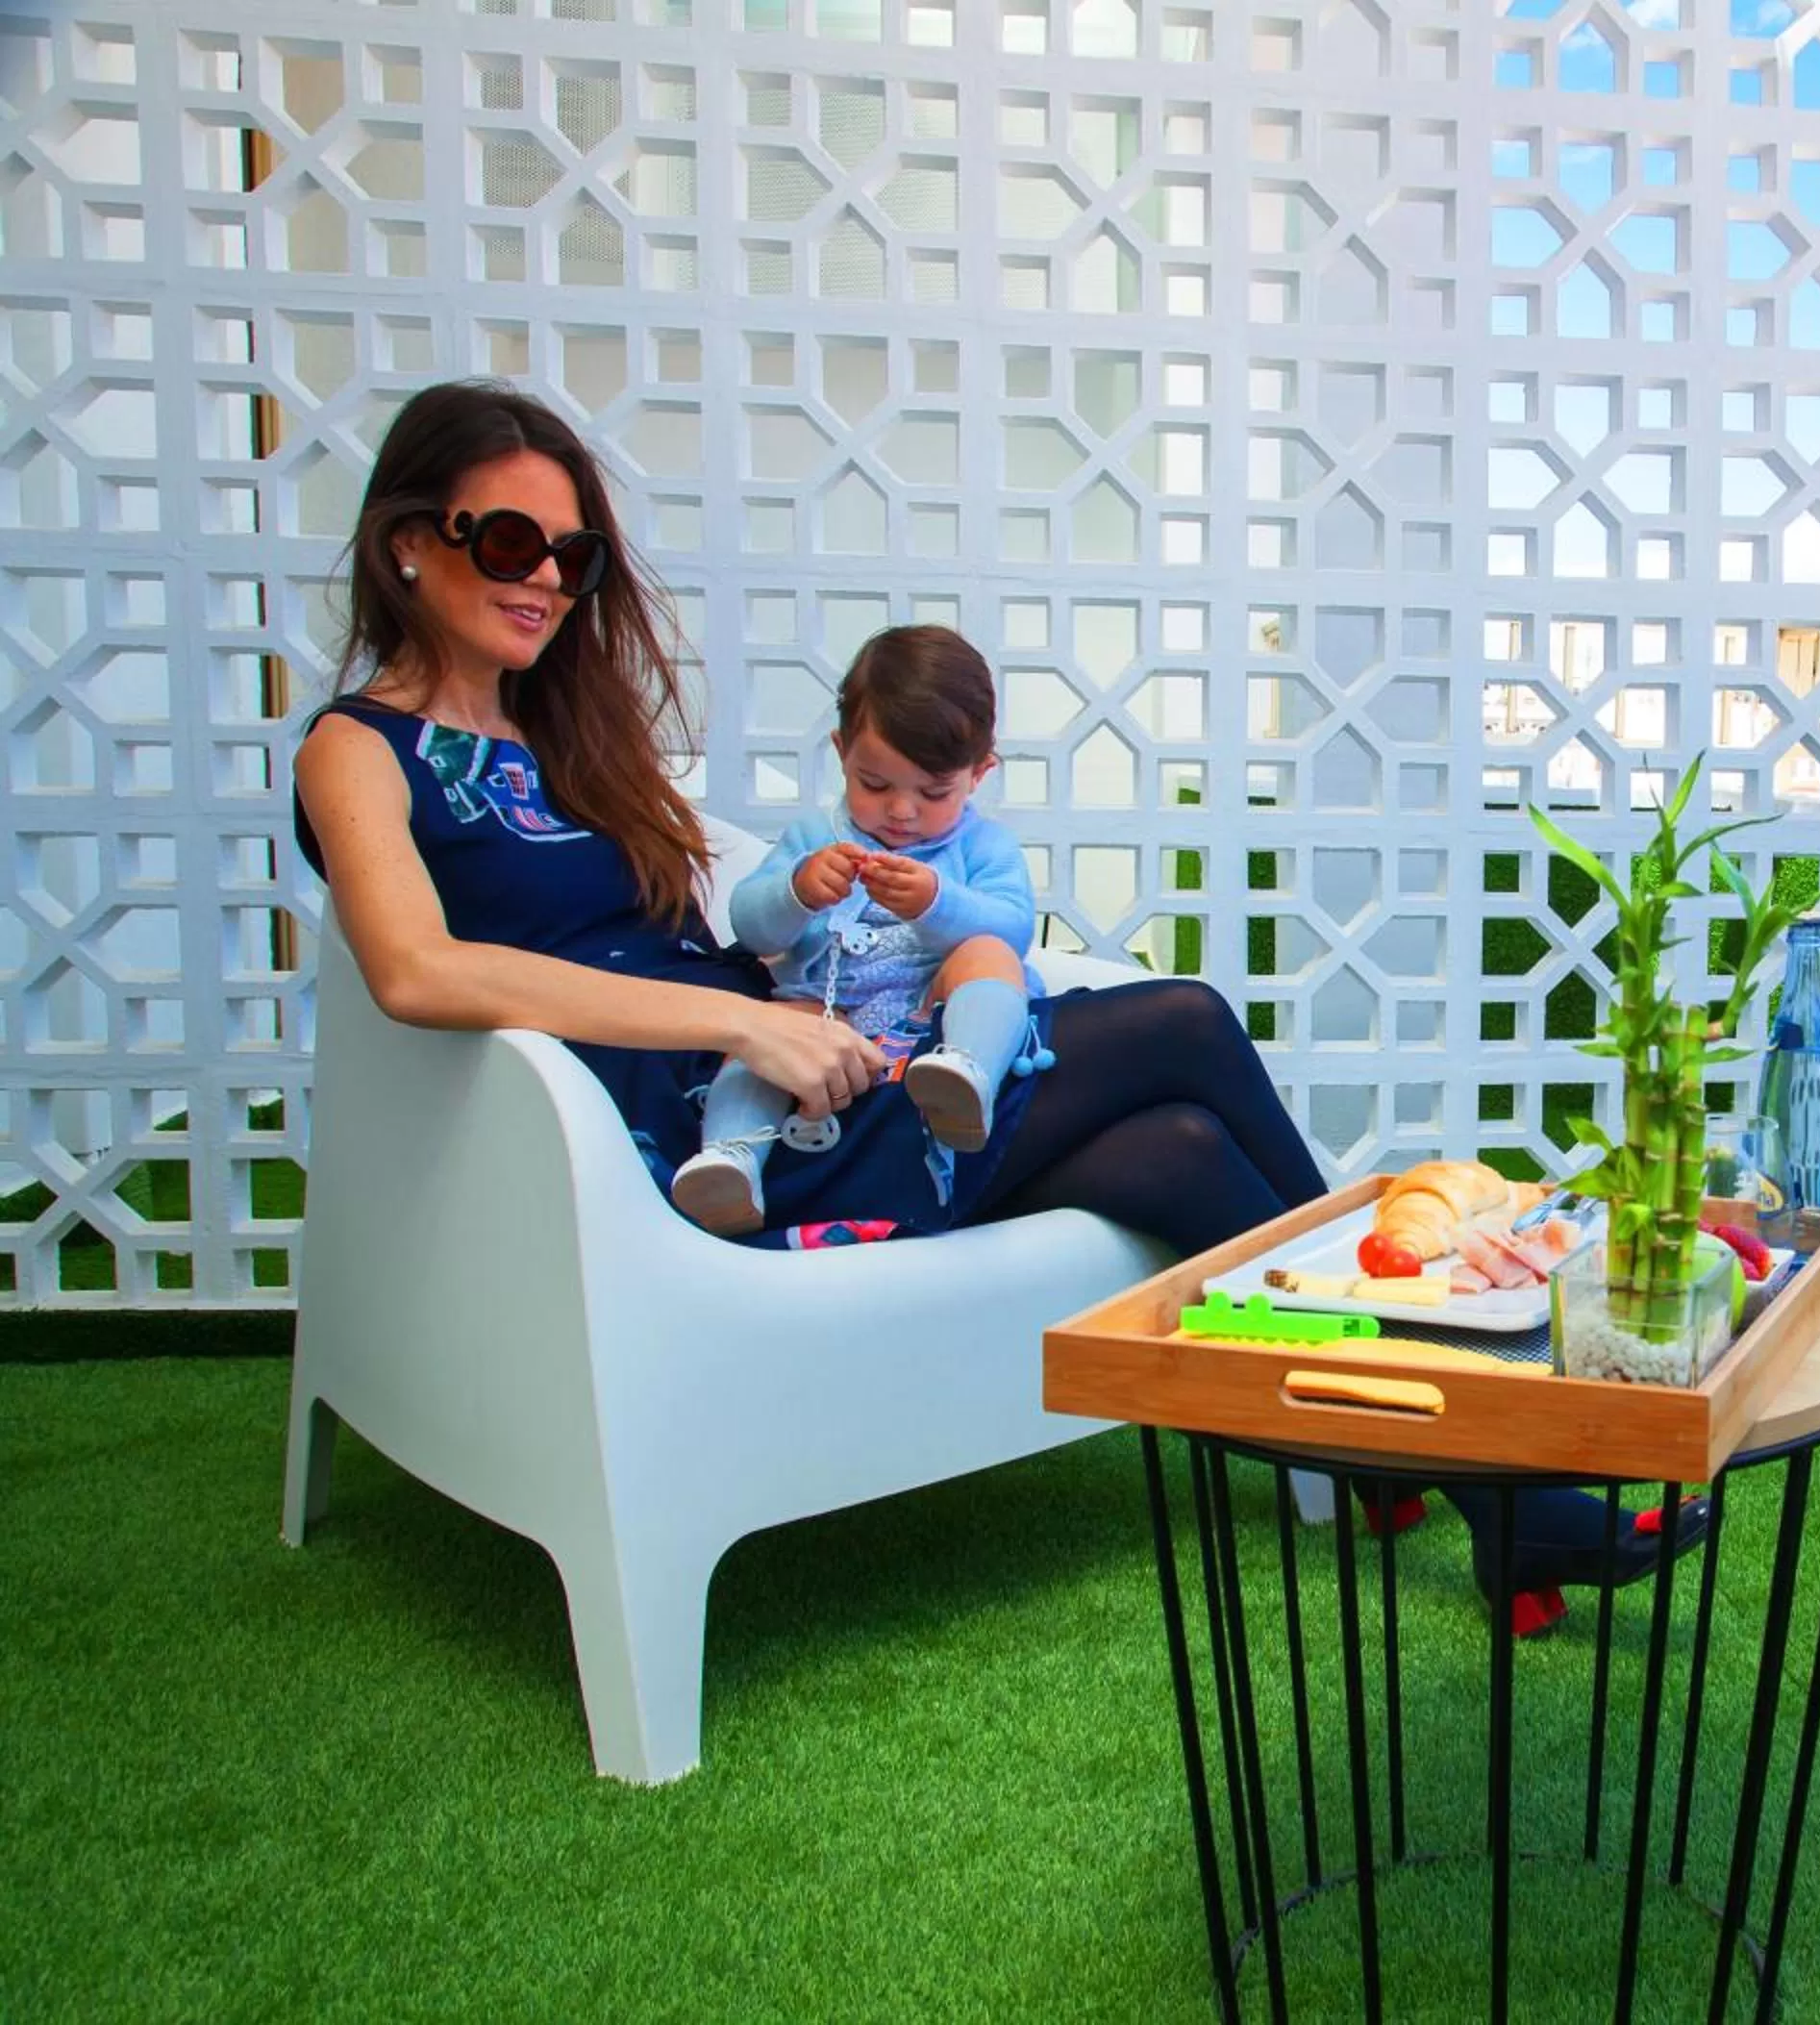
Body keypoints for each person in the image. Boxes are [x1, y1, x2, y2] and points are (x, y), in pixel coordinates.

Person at [290, 376, 1684, 1624]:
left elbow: (734, 909)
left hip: (822, 1064)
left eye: (571, 553)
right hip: (720, 1138)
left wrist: (801, 975)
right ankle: (1494, 1469)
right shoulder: (360, 748)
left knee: (1185, 1156)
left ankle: (1447, 1470)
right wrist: (747, 1023)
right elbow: (416, 970)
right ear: (410, 539)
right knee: (1185, 1018)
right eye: (508, 541)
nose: (546, 579)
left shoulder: (562, 739)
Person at [671, 626, 1038, 1237]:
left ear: (980, 773)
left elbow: (1015, 927)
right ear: (842, 752)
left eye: (933, 792)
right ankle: (731, 1160)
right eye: (875, 784)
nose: (901, 811)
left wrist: (937, 901)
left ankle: (968, 1075)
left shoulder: (983, 845)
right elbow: (751, 927)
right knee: (773, 1030)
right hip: (827, 1018)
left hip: (933, 1018)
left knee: (986, 951)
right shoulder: (817, 834)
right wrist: (798, 889)